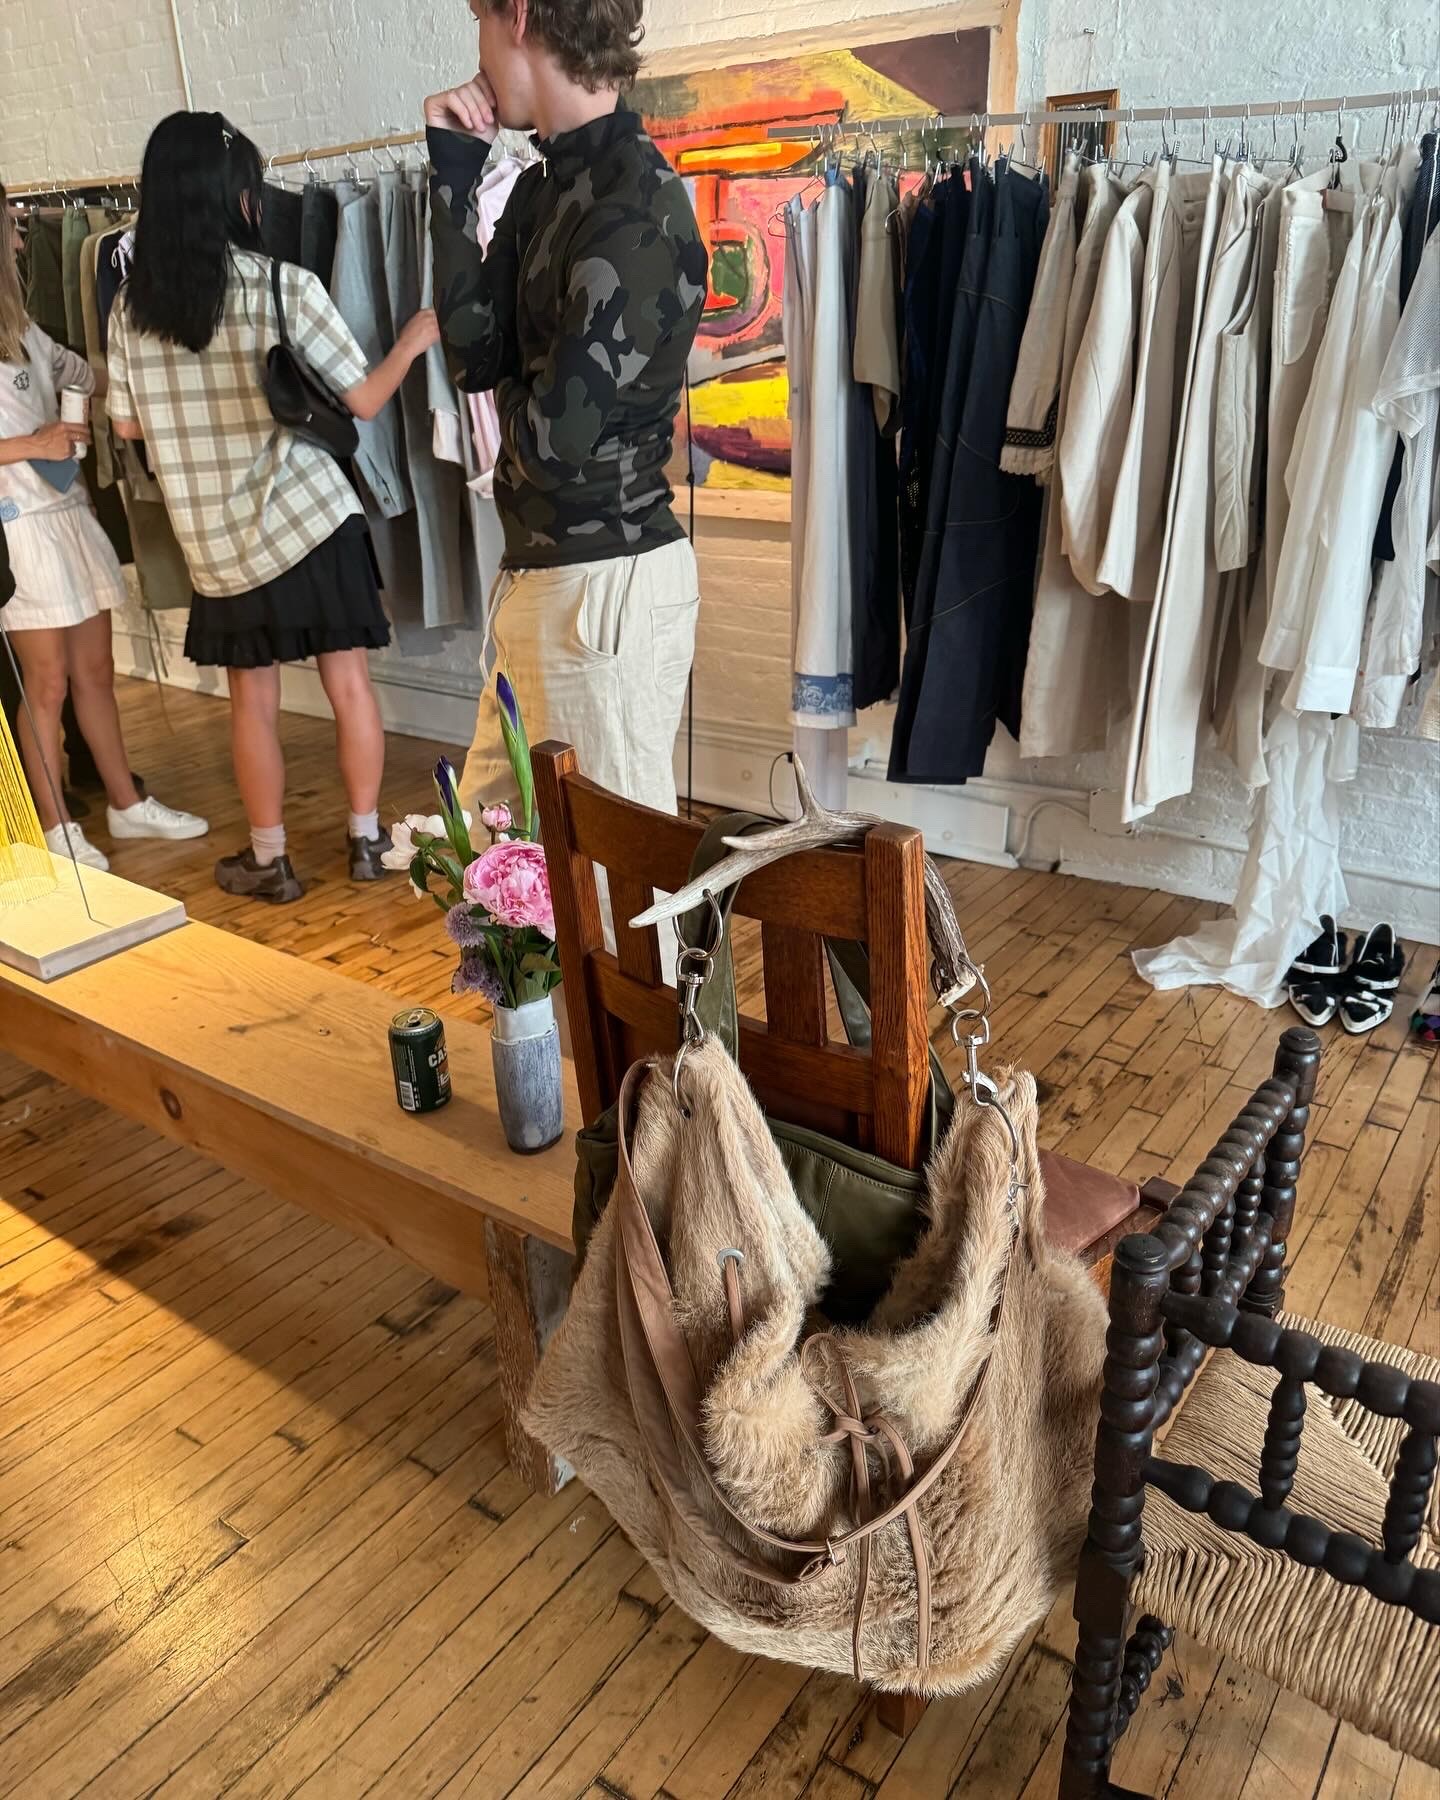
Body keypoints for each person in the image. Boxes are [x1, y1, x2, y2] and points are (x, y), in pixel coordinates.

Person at [108, 114, 441, 904]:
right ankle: (366, 841)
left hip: (218, 543)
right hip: (312, 521)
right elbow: (362, 401)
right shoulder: (282, 287)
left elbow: (126, 429)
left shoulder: (129, 312)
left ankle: (270, 860)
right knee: (349, 685)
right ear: (236, 195)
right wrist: (408, 343)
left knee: (252, 702)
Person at [425, 0, 709, 821]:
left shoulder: (634, 203)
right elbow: (474, 358)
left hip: (604, 590)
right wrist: (453, 175)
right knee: (481, 859)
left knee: (609, 885)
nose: (478, 55)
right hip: (552, 584)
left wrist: (523, 385)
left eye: (479, 23)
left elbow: (552, 445)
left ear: (516, 15)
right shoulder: (547, 185)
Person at [0, 185, 206, 872]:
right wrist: (32, 444)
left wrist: (146, 376)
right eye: (11, 228)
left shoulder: (24, 332)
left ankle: (125, 801)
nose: (22, 241)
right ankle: (56, 825)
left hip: (70, 516)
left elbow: (85, 375)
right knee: (47, 686)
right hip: (20, 530)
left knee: (94, 672)